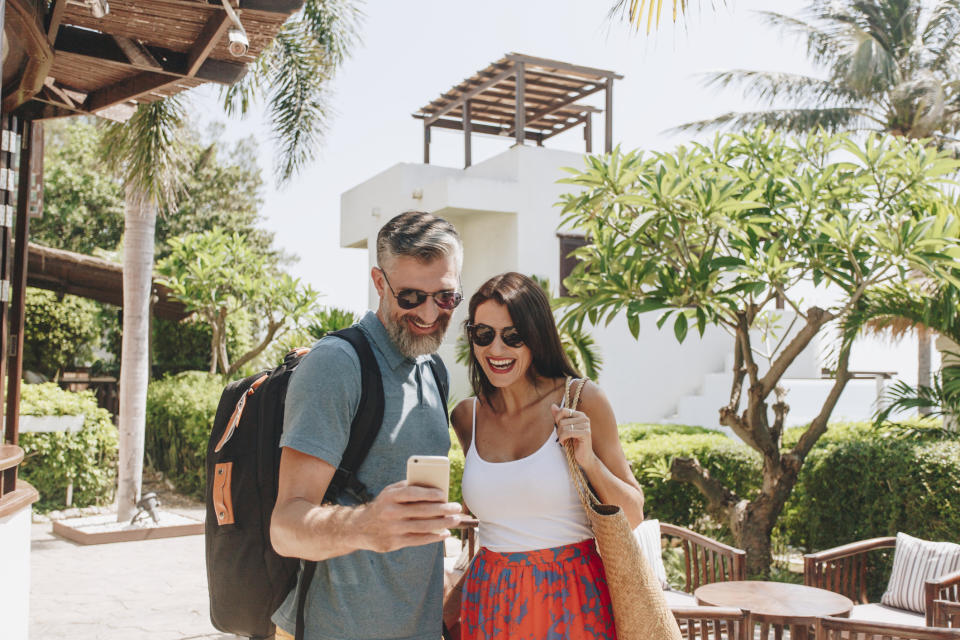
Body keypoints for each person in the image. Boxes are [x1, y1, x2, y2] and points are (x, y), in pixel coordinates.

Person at [270, 210, 468, 640]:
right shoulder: (337, 365)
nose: (431, 313)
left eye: (447, 297)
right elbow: (285, 527)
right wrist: (364, 526)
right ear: (380, 283)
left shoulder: (432, 369)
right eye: (412, 296)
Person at [451, 272, 645, 640]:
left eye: (513, 337)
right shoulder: (466, 417)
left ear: (536, 337)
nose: (496, 349)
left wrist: (589, 460)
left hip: (570, 599)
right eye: (483, 335)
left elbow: (633, 514)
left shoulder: (582, 399)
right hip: (488, 601)